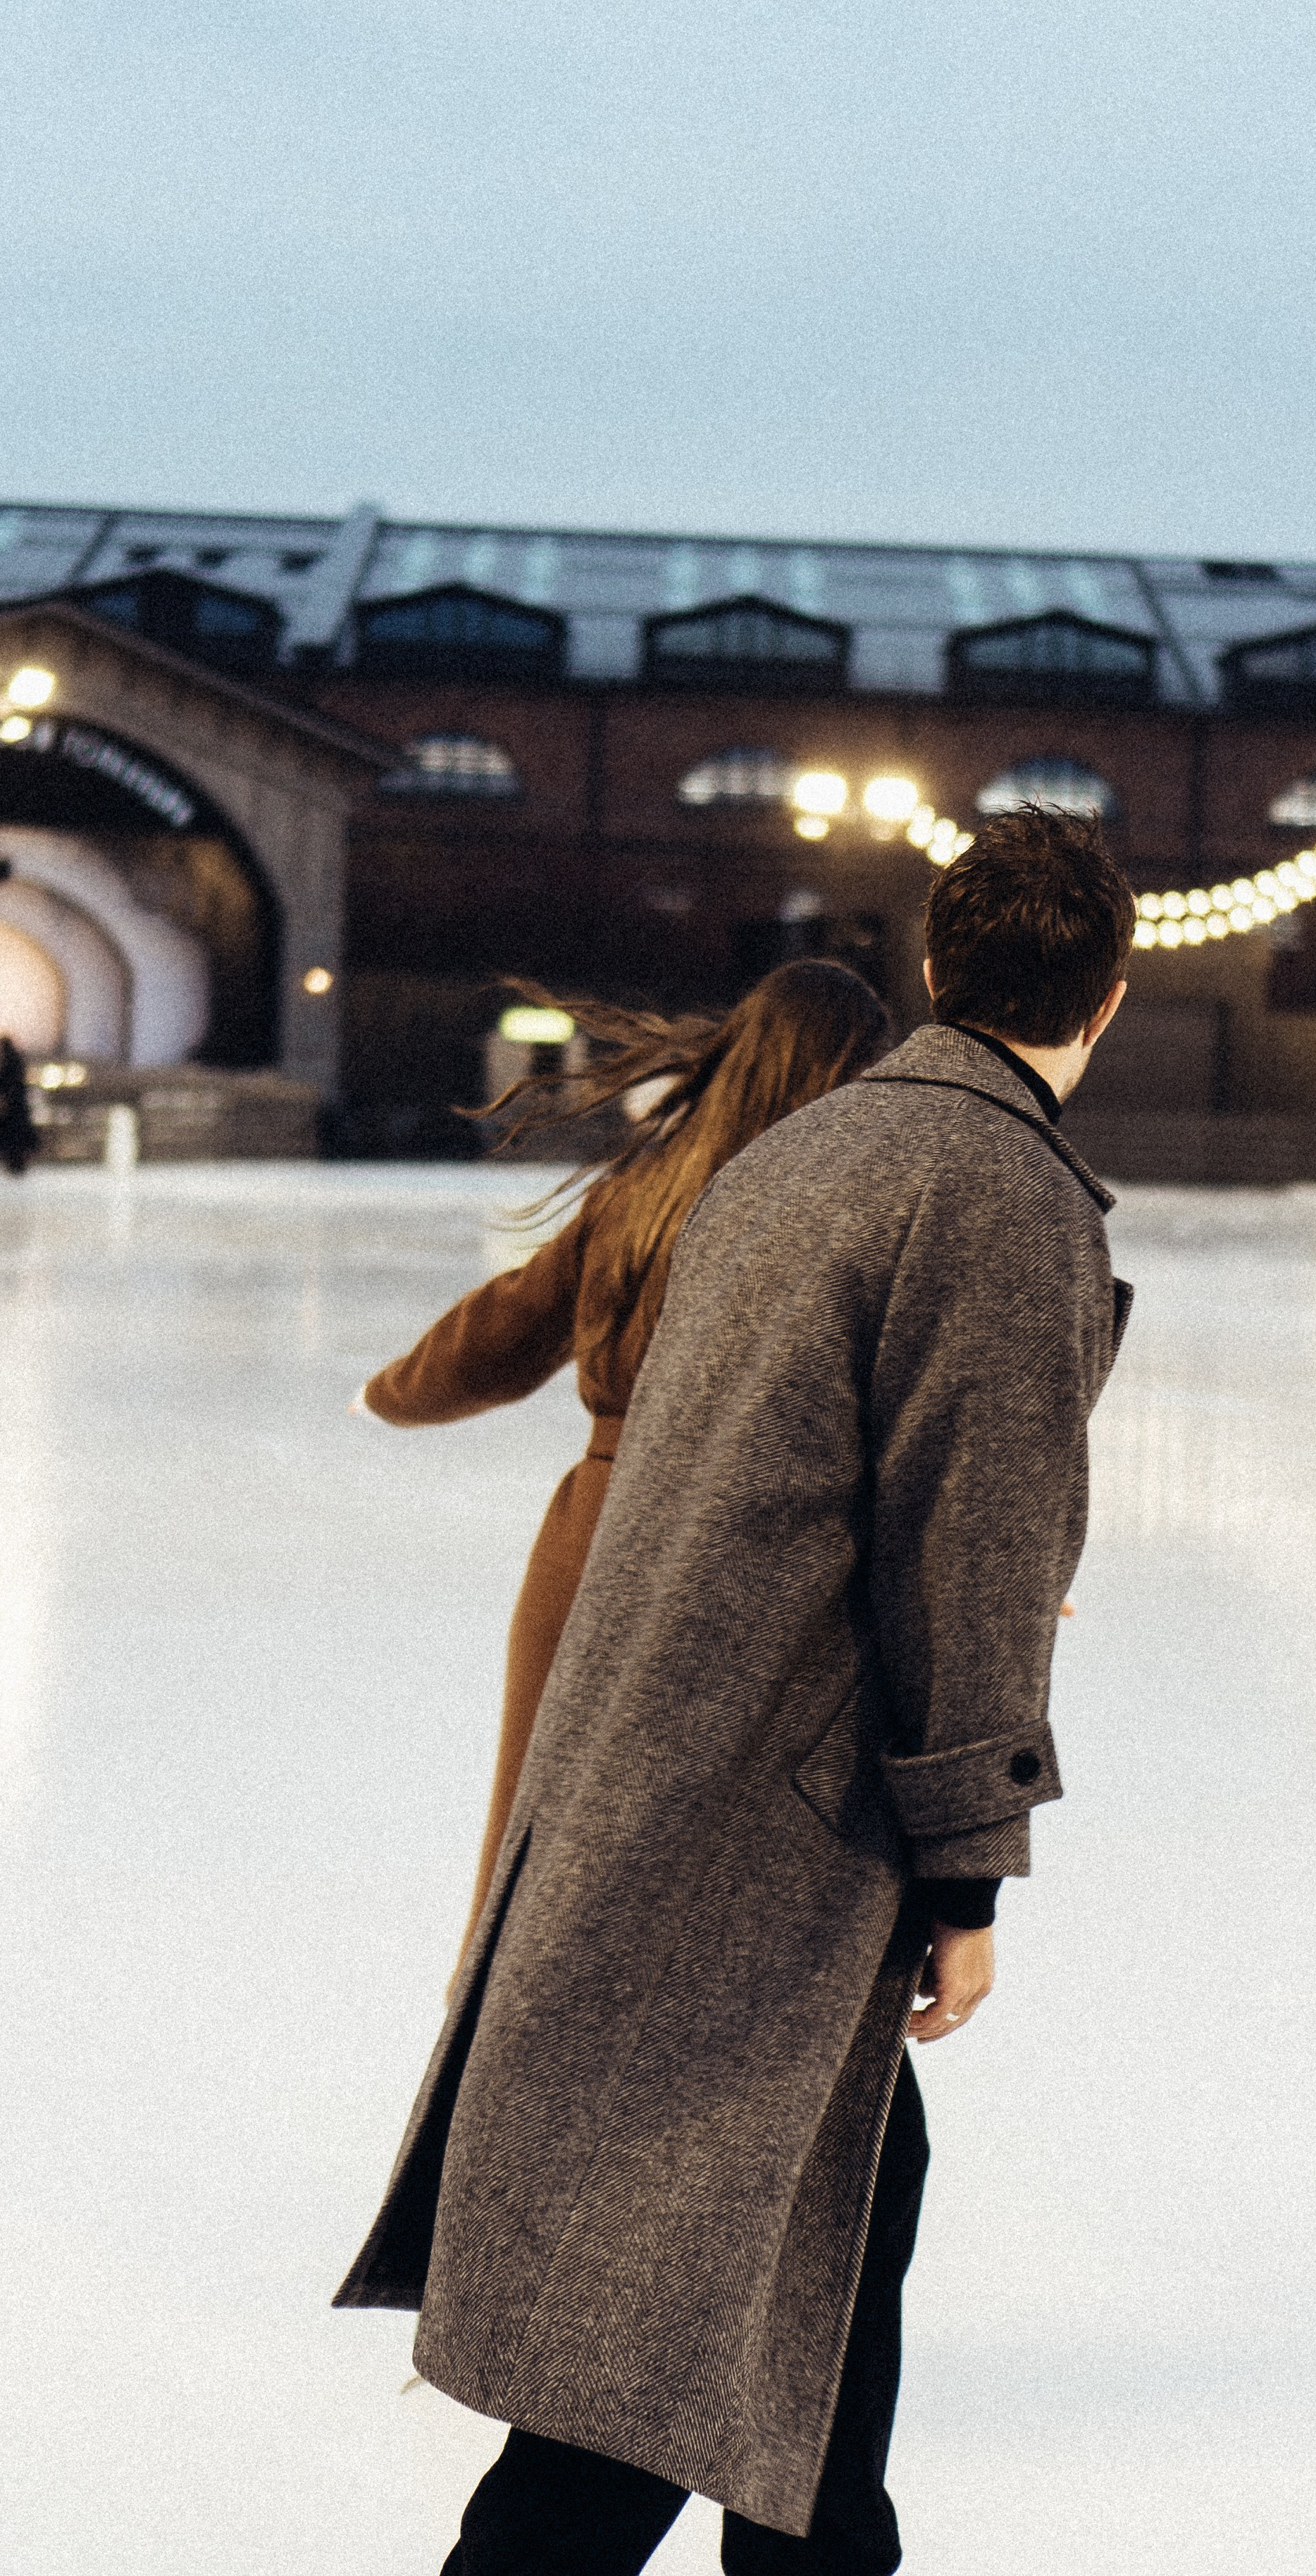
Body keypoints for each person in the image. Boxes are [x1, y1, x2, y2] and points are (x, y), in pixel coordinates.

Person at [335, 808, 1136, 2576]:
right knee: (631, 2392)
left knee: (848, 2212)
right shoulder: (1000, 1194)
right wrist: (963, 1877)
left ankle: (824, 2544)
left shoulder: (781, 1161)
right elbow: (965, 1561)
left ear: (935, 970)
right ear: (1111, 997)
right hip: (782, 1830)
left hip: (655, 1758)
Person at [353, 959, 893, 1972]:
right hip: (761, 1559)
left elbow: (497, 1338)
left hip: (597, 1543)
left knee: (545, 1854)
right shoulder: (850, 1223)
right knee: (713, 1880)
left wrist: (386, 1391)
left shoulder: (641, 1194)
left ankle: (507, 2082)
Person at [0, 1035, 37, 1178]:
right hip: (15, 1108)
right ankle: (16, 1166)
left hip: (12, 1109)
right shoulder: (15, 1063)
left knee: (12, 1138)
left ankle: (15, 1166)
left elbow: (11, 1085)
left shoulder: (10, 1065)